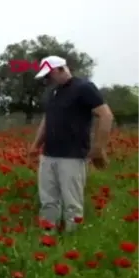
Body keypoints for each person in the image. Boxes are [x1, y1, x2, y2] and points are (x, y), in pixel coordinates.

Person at [30, 55, 114, 232]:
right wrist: (36, 145)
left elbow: (106, 115)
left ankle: (72, 240)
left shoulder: (84, 88)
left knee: (72, 203)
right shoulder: (54, 92)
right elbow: (47, 119)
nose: (47, 79)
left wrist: (98, 147)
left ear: (60, 69)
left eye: (49, 75)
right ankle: (48, 237)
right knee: (48, 201)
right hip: (49, 154)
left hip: (72, 156)